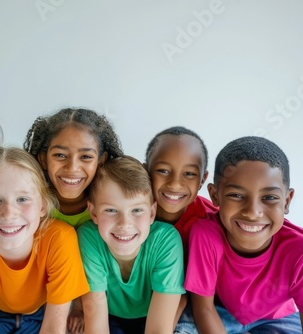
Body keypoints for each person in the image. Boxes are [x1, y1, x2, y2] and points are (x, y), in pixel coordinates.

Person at [182, 136, 303, 333]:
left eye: (269, 197)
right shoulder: (205, 234)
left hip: (278, 317)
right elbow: (203, 308)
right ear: (215, 195)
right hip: (219, 311)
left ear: (287, 201)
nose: (252, 212)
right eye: (237, 195)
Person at [0, 146, 90, 334]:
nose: (8, 214)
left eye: (22, 199)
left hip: (43, 314)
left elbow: (53, 329)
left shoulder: (60, 238)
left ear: (43, 206)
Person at [23, 107, 123, 333]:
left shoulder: (112, 208)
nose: (72, 168)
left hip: (102, 306)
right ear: (43, 158)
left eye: (86, 157)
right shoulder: (29, 205)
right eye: (60, 155)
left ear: (101, 160)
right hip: (40, 305)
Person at [78, 155, 185, 334]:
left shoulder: (166, 240)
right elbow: (96, 327)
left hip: (159, 313)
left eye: (136, 210)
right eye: (111, 210)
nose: (124, 224)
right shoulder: (89, 238)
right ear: (94, 213)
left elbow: (158, 330)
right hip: (111, 316)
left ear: (152, 213)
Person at [145, 126, 217, 330]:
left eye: (189, 174)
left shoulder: (211, 220)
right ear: (145, 171)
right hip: (135, 303)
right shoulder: (129, 213)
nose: (175, 183)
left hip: (192, 305)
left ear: (203, 179)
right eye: (163, 171)